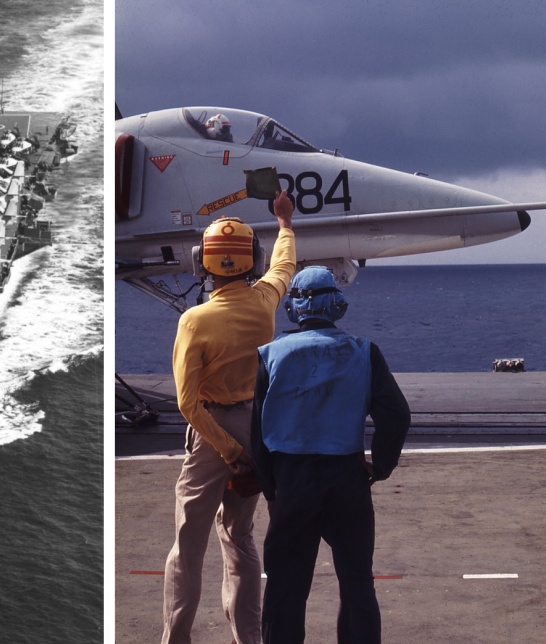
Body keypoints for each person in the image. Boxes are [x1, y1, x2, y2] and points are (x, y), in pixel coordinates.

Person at [251, 266, 411, 644]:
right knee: (356, 583)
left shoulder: (270, 355)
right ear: (337, 305)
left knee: (285, 588)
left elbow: (258, 435)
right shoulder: (364, 351)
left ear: (294, 307)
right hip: (347, 479)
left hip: (292, 481)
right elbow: (397, 415)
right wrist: (380, 466)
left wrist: (272, 491)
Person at [162, 190, 296, 644]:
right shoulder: (264, 305)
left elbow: (187, 403)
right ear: (251, 260)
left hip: (212, 434)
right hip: (257, 429)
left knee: (188, 548)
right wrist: (284, 223)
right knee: (240, 540)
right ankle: (249, 638)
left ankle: (176, 637)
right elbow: (285, 267)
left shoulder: (194, 321)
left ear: (203, 262)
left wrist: (226, 450)